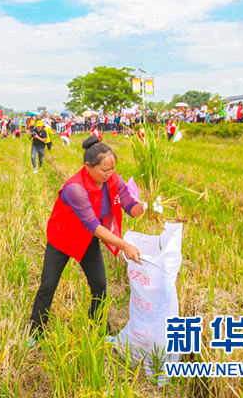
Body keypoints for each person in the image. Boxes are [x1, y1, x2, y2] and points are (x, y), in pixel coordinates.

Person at [29, 137, 143, 337]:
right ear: (88, 166)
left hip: (87, 240)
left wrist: (148, 208)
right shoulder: (76, 188)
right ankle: (35, 332)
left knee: (99, 285)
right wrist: (124, 245)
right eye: (104, 170)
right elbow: (93, 225)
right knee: (48, 284)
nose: (109, 174)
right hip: (63, 239)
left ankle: (99, 327)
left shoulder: (114, 180)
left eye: (112, 169)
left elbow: (131, 207)